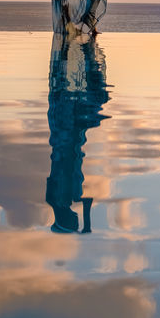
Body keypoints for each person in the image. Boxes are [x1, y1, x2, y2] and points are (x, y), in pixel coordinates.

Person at [45, 32, 110, 233]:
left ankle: (73, 50)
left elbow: (87, 201)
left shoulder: (64, 198)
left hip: (67, 142)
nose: (76, 219)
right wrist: (86, 225)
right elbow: (85, 201)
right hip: (64, 142)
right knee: (92, 101)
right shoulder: (55, 199)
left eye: (74, 221)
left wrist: (87, 226)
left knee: (93, 101)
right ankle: (76, 50)